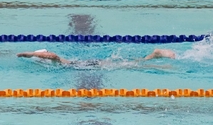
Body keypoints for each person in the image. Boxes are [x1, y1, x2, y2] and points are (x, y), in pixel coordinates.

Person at [16, 48, 176, 66]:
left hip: (90, 65)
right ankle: (155, 58)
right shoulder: (56, 63)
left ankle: (156, 56)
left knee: (132, 65)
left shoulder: (55, 62)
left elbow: (53, 55)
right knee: (132, 63)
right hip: (88, 64)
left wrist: (29, 54)